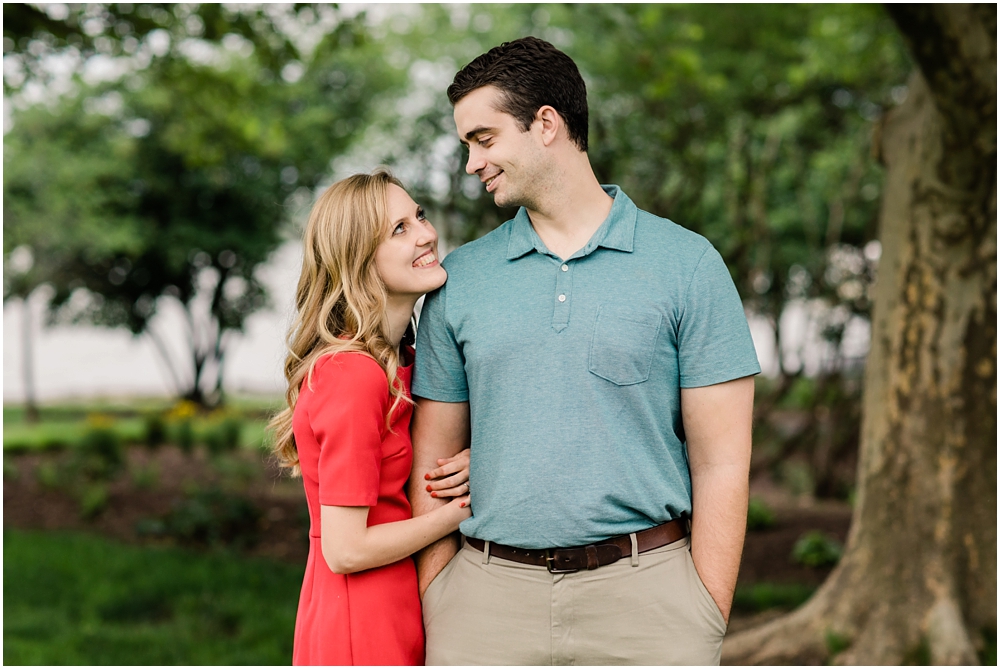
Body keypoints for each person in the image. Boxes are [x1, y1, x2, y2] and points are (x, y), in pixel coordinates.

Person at [408, 36, 761, 665]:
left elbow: (723, 462)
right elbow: (430, 462)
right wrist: (441, 592)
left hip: (649, 605)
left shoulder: (687, 265)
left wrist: (704, 609)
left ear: (546, 124)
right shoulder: (458, 280)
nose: (471, 163)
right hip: (484, 607)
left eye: (483, 139)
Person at [269, 170, 472, 666]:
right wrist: (462, 507)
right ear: (359, 261)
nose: (426, 234)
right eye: (398, 230)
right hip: (361, 625)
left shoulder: (401, 360)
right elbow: (347, 549)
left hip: (391, 605)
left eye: (419, 216)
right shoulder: (353, 375)